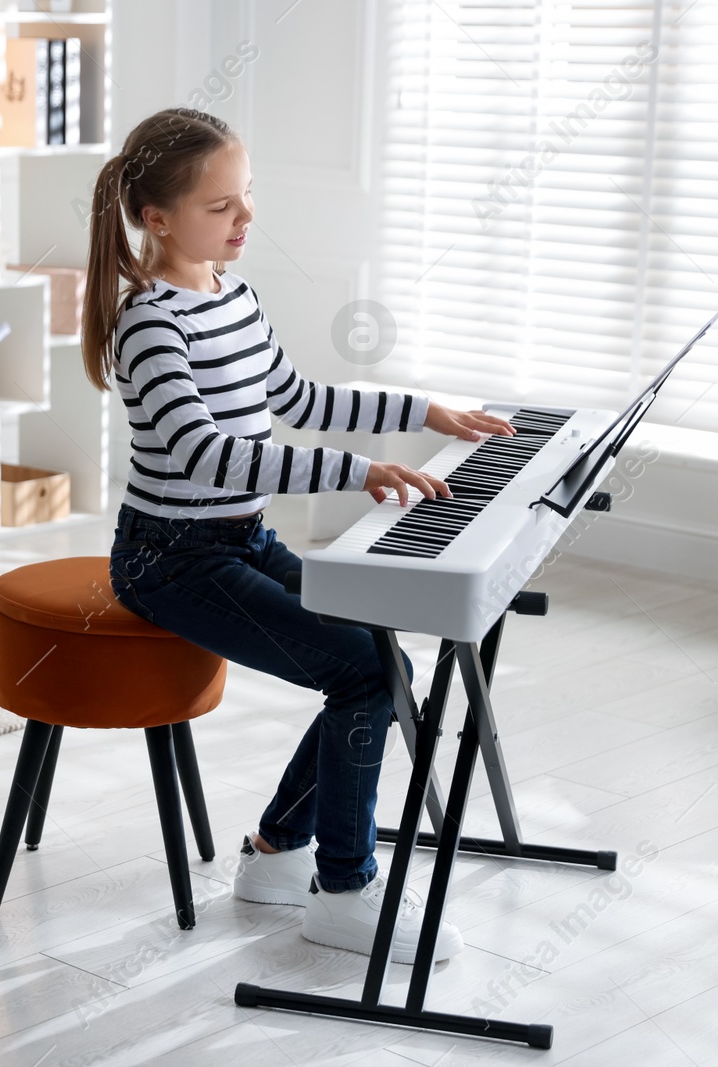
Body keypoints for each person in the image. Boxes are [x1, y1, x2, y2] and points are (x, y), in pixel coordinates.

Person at [81, 107, 514, 964]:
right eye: (222, 206)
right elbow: (210, 454)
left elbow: (299, 396)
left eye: (247, 198)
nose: (246, 220)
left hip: (234, 539)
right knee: (357, 673)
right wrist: (355, 472)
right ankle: (343, 890)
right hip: (168, 557)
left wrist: (423, 409)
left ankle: (279, 853)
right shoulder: (149, 323)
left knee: (376, 660)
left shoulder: (231, 292)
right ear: (158, 218)